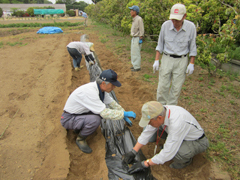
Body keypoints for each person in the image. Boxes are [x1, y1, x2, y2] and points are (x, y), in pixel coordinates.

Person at [61, 69, 136, 154]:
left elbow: (112, 103)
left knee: (97, 113)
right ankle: (80, 139)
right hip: (68, 119)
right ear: (103, 83)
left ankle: (79, 127)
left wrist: (123, 113)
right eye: (113, 85)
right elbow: (104, 113)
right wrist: (123, 114)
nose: (114, 87)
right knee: (95, 119)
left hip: (78, 114)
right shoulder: (90, 92)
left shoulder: (101, 90)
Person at [122, 101, 209, 173]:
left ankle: (185, 161)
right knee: (151, 132)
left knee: (177, 153)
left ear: (159, 118)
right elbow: (147, 132)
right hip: (178, 133)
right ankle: (174, 142)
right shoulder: (159, 111)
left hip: (197, 141)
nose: (149, 124)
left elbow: (168, 153)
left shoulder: (177, 123)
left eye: (150, 122)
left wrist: (145, 164)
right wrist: (134, 151)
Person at [153, 4, 197, 105]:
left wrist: (191, 63)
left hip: (181, 60)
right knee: (162, 87)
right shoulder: (165, 26)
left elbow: (192, 47)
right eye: (172, 19)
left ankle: (171, 111)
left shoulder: (191, 27)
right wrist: (156, 60)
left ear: (184, 16)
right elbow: (160, 44)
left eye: (177, 20)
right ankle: (161, 109)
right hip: (167, 59)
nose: (174, 22)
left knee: (176, 89)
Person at [129, 5, 144, 72]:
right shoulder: (134, 19)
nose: (130, 12)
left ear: (135, 12)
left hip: (137, 38)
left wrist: (140, 38)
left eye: (131, 10)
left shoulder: (139, 19)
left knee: (136, 53)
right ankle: (134, 65)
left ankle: (137, 67)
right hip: (134, 38)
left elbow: (141, 29)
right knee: (133, 52)